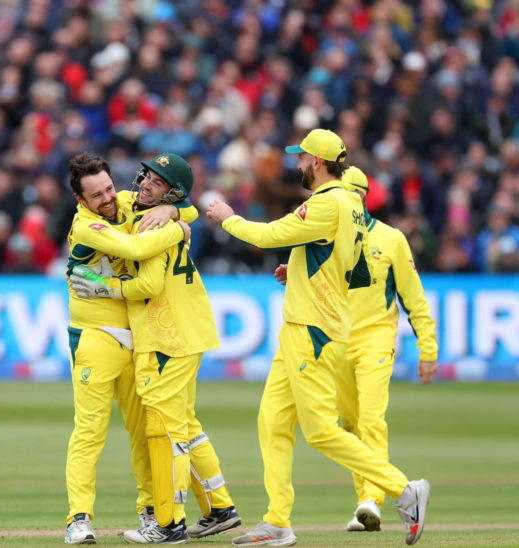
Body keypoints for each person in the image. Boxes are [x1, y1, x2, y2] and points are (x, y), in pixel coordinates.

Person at [205, 129, 430, 547]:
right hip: (303, 322)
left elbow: (269, 236)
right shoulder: (350, 207)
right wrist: (301, 267)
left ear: (319, 163)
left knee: (321, 431)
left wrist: (227, 217)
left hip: (313, 327)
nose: (297, 164)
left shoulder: (328, 202)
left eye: (302, 158)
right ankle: (277, 521)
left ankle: (403, 489)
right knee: (271, 422)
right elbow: (348, 260)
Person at [72, 153, 241, 544]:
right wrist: (176, 216)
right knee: (186, 426)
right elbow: (191, 212)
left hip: (168, 336)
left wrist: (105, 287)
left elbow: (145, 283)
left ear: (174, 192)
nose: (146, 183)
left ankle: (169, 523)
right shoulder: (144, 209)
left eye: (158, 182)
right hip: (185, 330)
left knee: (165, 432)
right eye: (147, 175)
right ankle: (219, 507)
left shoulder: (150, 220)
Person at [275, 166, 439, 533]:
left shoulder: (392, 239)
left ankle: (372, 499)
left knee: (371, 419)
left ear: (362, 198)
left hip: (376, 340)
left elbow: (414, 298)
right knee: (348, 425)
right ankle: (371, 500)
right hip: (336, 339)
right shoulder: (327, 236)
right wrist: (295, 271)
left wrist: (427, 348)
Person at [62, 151, 194, 544]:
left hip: (139, 337)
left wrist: (174, 216)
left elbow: (190, 209)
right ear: (80, 201)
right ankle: (78, 519)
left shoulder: (122, 201)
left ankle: (151, 513)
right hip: (95, 336)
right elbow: (136, 251)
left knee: (143, 432)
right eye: (96, 195)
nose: (107, 199)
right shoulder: (85, 226)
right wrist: (179, 231)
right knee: (89, 432)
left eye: (108, 188)